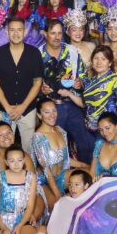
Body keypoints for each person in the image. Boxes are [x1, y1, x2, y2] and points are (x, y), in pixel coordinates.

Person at [39, 18, 92, 161]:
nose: (57, 37)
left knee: (85, 142)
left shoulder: (72, 52)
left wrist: (80, 83)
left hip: (72, 103)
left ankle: (85, 170)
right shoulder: (38, 54)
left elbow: (83, 76)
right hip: (51, 106)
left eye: (59, 33)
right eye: (53, 33)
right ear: (46, 34)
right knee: (56, 146)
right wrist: (41, 90)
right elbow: (33, 81)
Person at [0, 18, 44, 153]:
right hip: (4, 110)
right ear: (7, 32)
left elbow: (37, 82)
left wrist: (23, 106)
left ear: (25, 32)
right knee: (4, 148)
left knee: (29, 149)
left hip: (28, 109)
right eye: (12, 30)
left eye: (19, 30)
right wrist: (8, 108)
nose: (16, 34)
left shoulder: (34, 53)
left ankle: (29, 167)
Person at [0, 146, 48, 234]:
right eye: (12, 161)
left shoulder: (31, 177)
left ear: (24, 160)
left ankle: (38, 231)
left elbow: (30, 206)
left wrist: (20, 226)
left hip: (23, 218)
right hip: (3, 220)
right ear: (6, 162)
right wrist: (3, 227)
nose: (16, 164)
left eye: (19, 160)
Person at [32, 99, 88, 207]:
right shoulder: (38, 137)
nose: (52, 115)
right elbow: (46, 169)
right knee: (59, 206)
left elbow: (65, 159)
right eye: (47, 112)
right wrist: (57, 193)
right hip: (46, 182)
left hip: (62, 176)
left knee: (90, 173)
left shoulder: (60, 131)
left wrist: (84, 165)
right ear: (39, 115)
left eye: (54, 110)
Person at [82, 46, 117, 138]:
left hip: (109, 130)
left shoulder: (116, 79)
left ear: (110, 63)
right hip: (90, 128)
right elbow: (85, 104)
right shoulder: (89, 81)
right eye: (96, 58)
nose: (99, 62)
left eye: (103, 59)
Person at [90, 112, 117, 178]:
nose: (104, 133)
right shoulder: (99, 144)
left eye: (107, 128)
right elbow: (92, 173)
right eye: (101, 130)